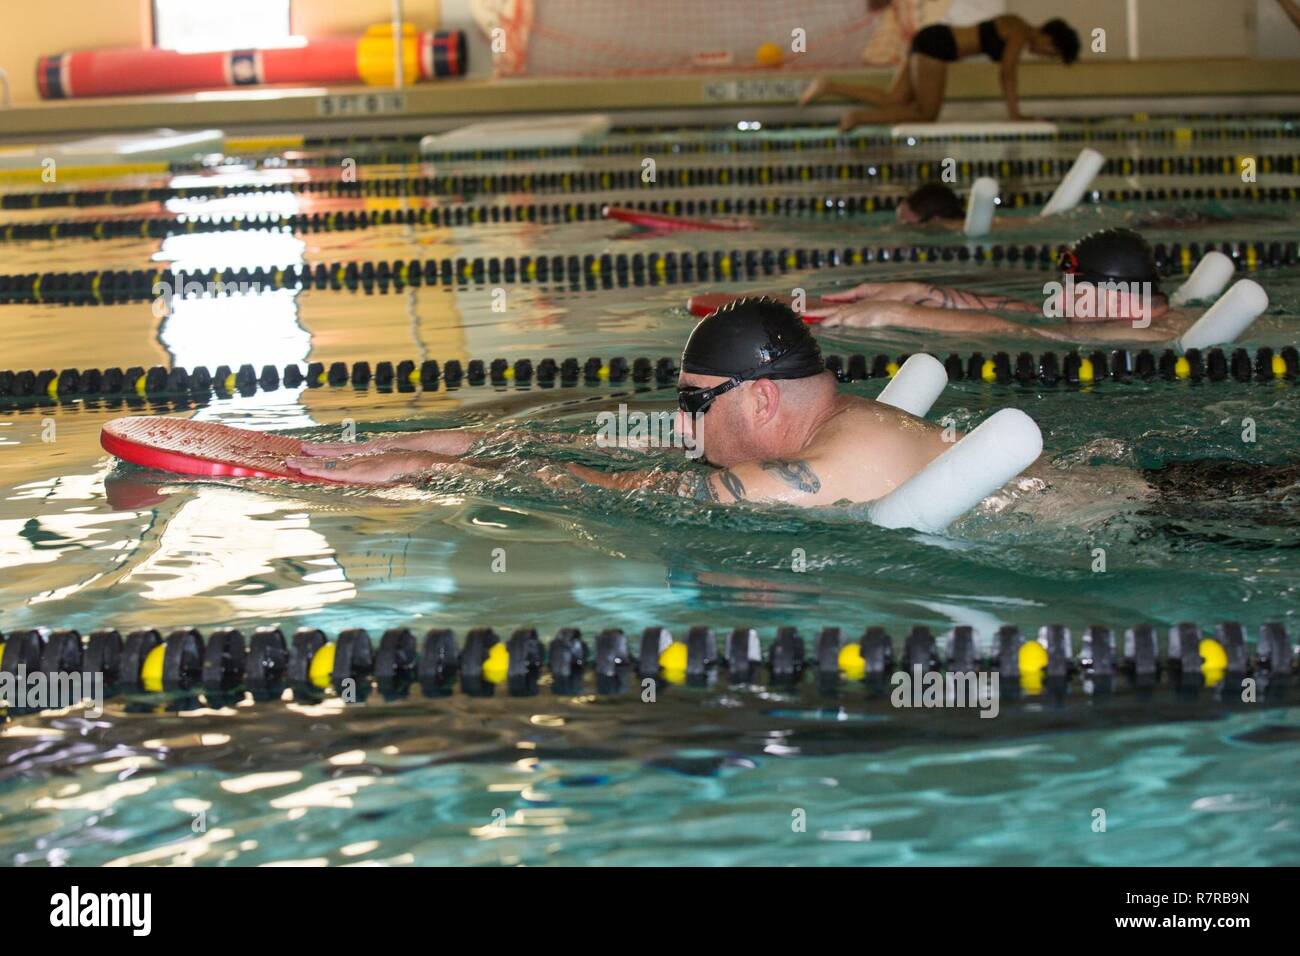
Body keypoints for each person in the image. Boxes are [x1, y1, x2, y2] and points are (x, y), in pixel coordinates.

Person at [285, 298, 962, 500]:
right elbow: (587, 450)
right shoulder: (827, 424)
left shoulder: (829, 465)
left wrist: (430, 475)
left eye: (695, 405)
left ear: (759, 401)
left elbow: (627, 492)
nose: (679, 422)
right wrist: (420, 444)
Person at [805, 228, 1195, 342]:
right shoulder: (1131, 314)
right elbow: (1033, 316)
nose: (1061, 295)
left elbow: (1021, 332)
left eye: (1071, 286)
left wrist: (900, 314)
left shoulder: (1151, 335)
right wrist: (924, 293)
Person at [799, 15, 1080, 131]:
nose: (1044, 55)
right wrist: (1016, 114)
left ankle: (829, 84)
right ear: (1049, 39)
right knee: (926, 114)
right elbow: (1007, 74)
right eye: (1051, 52)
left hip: (931, 38)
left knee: (894, 99)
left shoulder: (1016, 24)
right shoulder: (1020, 31)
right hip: (937, 46)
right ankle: (857, 117)